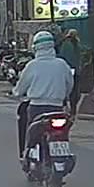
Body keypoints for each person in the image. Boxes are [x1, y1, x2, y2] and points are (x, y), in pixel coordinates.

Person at [12, 30, 74, 167]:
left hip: (37, 108)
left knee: (31, 134)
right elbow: (70, 84)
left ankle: (27, 155)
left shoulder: (32, 65)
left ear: (36, 47)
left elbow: (21, 87)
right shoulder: (62, 64)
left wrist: (16, 92)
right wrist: (64, 97)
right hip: (57, 107)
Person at [57, 29, 84, 118]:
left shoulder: (66, 44)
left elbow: (62, 56)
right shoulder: (77, 45)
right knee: (74, 90)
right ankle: (72, 109)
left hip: (68, 69)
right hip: (74, 70)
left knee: (65, 88)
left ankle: (66, 107)